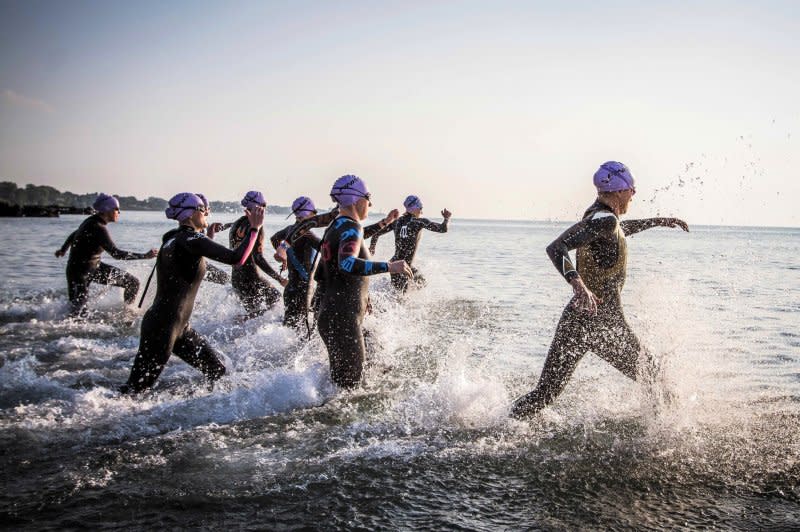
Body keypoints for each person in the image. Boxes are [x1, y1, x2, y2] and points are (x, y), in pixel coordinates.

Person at [510, 161, 689, 419]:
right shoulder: (603, 221)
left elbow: (619, 231)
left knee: (545, 393)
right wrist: (578, 284)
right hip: (605, 325)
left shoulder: (601, 217)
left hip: (578, 321)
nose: (634, 194)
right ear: (618, 191)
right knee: (654, 377)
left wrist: (659, 221)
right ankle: (668, 436)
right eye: (631, 189)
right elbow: (556, 247)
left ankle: (501, 424)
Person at [122, 193, 264, 393]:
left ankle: (205, 410)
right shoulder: (192, 239)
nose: (206, 212)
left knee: (217, 371)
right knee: (135, 390)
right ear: (190, 214)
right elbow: (236, 258)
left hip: (177, 327)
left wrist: (209, 238)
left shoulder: (173, 237)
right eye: (202, 209)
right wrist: (254, 229)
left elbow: (190, 257)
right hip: (163, 327)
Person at [314, 175, 411, 388]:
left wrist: (362, 295)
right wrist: (389, 266)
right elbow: (347, 263)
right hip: (342, 319)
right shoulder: (352, 228)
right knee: (349, 391)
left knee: (373, 364)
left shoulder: (335, 227)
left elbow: (320, 275)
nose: (370, 203)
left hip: (333, 316)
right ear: (357, 200)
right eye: (368, 197)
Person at [55, 193, 157, 315]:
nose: (119, 212)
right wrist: (145, 256)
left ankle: (127, 313)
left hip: (92, 267)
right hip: (79, 273)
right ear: (106, 210)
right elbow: (116, 254)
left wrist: (63, 249)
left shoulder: (90, 221)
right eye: (116, 209)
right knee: (79, 311)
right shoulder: (98, 227)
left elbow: (74, 234)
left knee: (132, 282)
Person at [368, 195, 451, 292]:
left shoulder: (396, 222)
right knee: (401, 298)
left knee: (421, 282)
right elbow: (443, 229)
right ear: (416, 208)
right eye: (421, 208)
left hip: (396, 264)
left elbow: (375, 234)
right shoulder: (419, 222)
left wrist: (372, 248)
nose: (421, 211)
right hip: (402, 267)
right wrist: (446, 219)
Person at [229, 191, 288, 318]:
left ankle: (240, 324)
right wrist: (280, 279)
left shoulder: (236, 224)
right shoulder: (257, 227)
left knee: (251, 312)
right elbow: (258, 257)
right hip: (251, 278)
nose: (265, 209)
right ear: (258, 207)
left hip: (236, 278)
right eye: (264, 205)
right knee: (276, 299)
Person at [269, 196, 321, 331]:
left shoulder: (289, 230)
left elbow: (274, 238)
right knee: (303, 332)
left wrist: (285, 256)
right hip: (304, 290)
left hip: (291, 288)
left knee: (289, 329)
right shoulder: (308, 234)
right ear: (309, 214)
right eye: (314, 213)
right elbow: (327, 250)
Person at [196, 193, 231, 285]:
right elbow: (206, 246)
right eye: (205, 209)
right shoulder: (197, 226)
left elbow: (219, 228)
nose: (207, 212)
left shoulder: (198, 222)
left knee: (226, 279)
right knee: (226, 279)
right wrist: (212, 229)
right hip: (194, 265)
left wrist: (232, 224)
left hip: (198, 263)